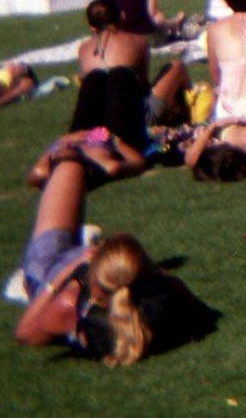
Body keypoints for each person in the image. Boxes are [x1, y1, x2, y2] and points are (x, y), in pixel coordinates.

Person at [12, 149, 203, 364]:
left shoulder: (69, 301)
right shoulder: (163, 298)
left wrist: (64, 274)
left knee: (69, 159)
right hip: (92, 269)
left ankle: (75, 153)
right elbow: (192, 303)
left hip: (50, 267)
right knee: (73, 159)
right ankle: (91, 153)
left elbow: (25, 333)